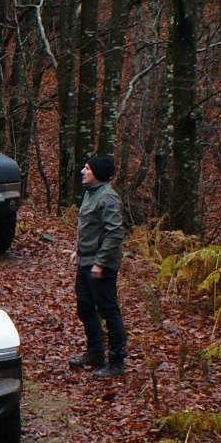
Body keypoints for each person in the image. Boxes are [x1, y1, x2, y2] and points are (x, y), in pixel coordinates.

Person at [72, 155, 127, 377]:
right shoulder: (90, 194)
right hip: (85, 262)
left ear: (98, 173)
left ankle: (116, 362)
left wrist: (100, 262)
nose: (82, 171)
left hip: (101, 266)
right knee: (85, 307)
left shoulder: (108, 198)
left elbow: (114, 234)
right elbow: (89, 227)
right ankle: (95, 353)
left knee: (108, 311)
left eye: (87, 168)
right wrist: (78, 251)